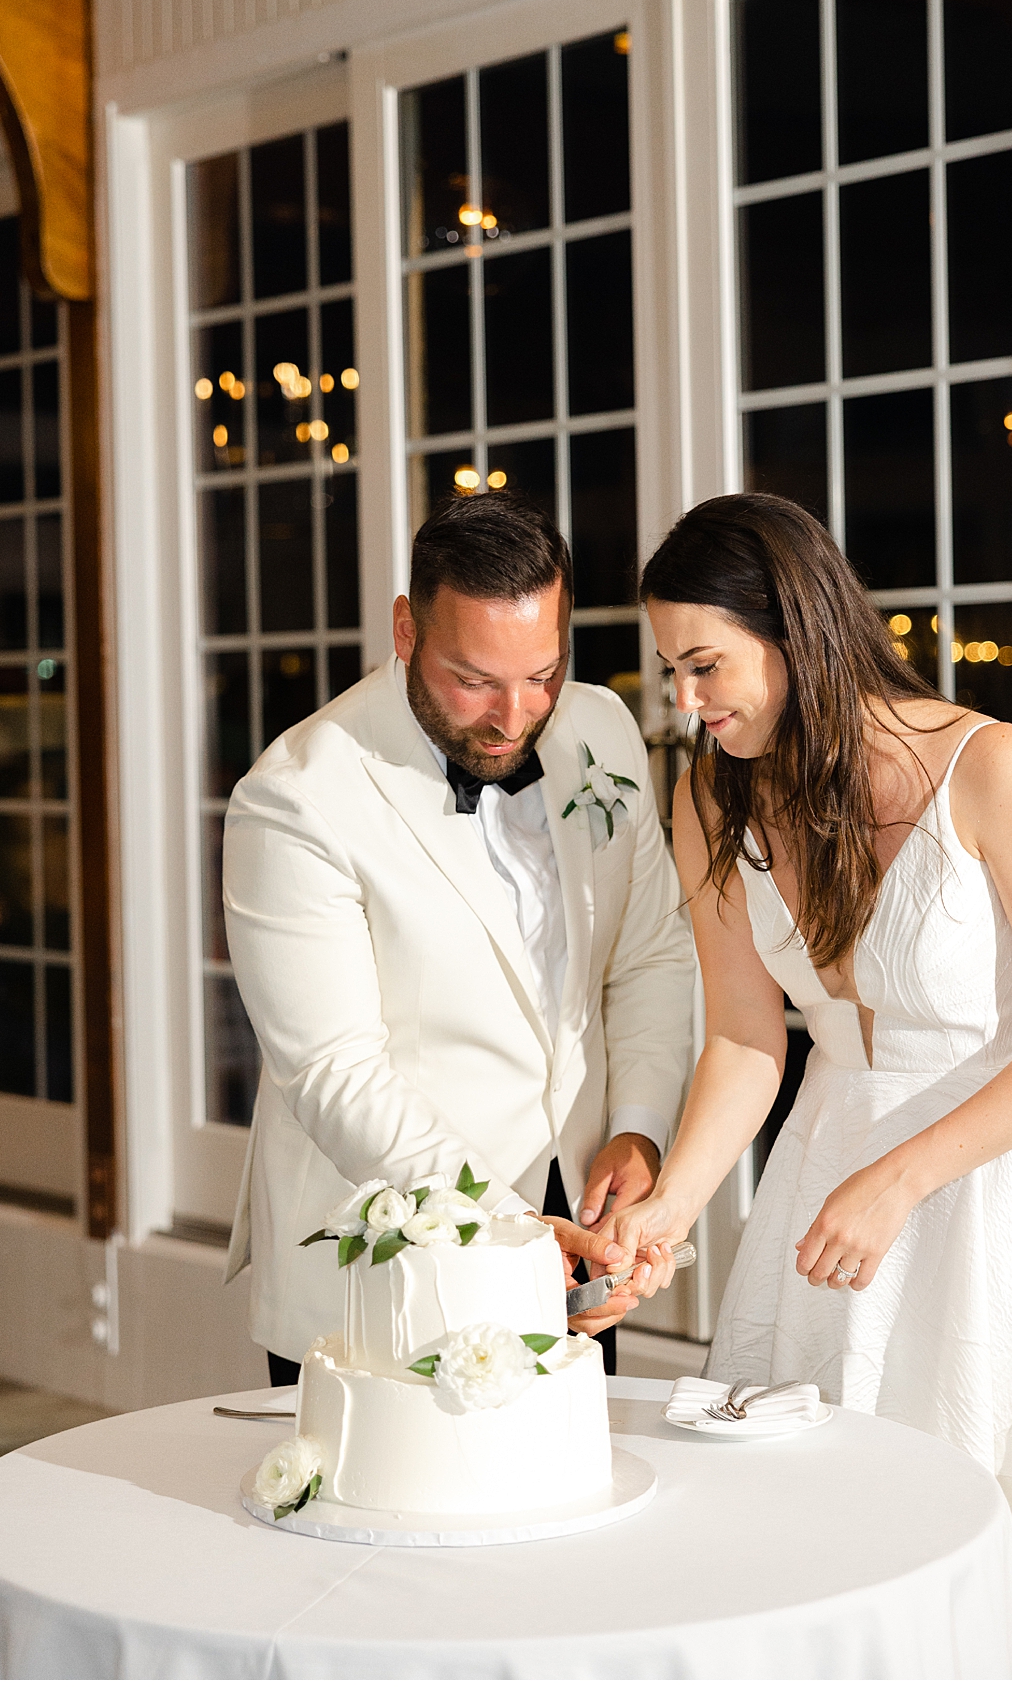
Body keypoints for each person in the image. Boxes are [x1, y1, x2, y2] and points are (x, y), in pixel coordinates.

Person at [600, 493, 1012, 1680]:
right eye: (674, 670)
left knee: (1007, 1513)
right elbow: (744, 1037)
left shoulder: (991, 767)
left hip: (1004, 1186)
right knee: (821, 1535)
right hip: (826, 1170)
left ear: (793, 626)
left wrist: (899, 1179)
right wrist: (669, 1211)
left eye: (705, 663)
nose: (687, 700)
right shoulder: (711, 796)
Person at [223, 493, 693, 1384]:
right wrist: (502, 1229)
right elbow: (335, 1071)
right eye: (474, 678)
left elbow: (649, 954)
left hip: (577, 1236)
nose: (515, 717)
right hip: (382, 1264)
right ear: (406, 630)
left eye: (543, 673)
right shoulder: (294, 795)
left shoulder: (601, 729)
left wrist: (637, 1129)